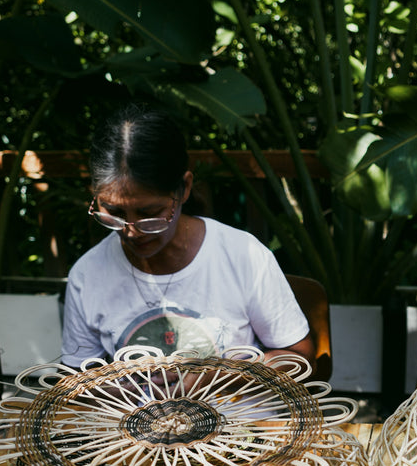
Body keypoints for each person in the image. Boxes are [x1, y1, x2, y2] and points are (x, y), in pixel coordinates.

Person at [60, 105, 314, 370]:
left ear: (184, 189)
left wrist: (218, 376)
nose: (131, 230)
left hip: (233, 410)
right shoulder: (88, 275)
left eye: (150, 213)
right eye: (113, 212)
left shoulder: (243, 256)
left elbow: (300, 356)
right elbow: (79, 379)